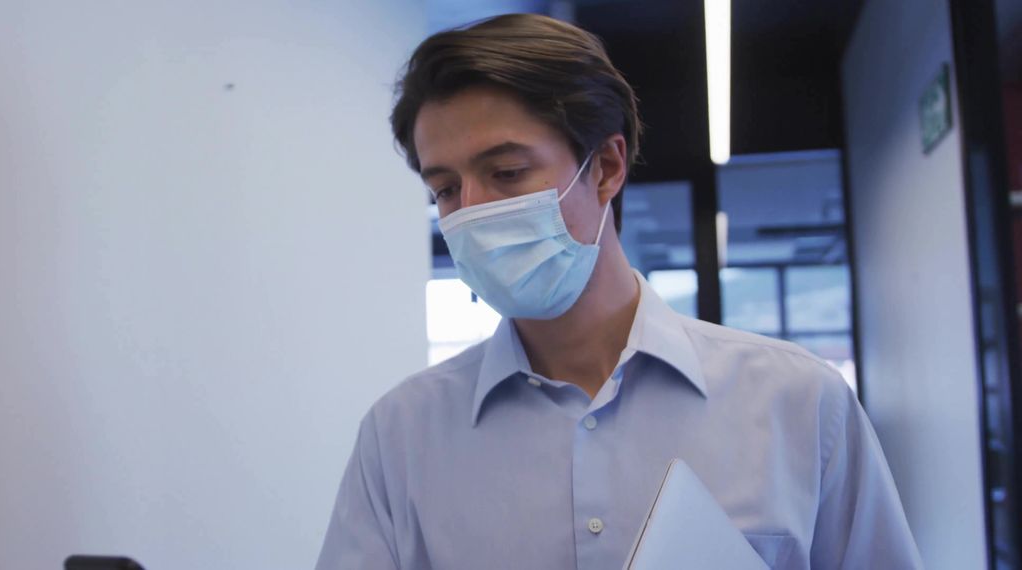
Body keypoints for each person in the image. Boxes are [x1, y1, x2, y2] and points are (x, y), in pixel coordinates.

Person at [316, 13, 922, 570]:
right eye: (446, 190)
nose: (472, 212)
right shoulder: (401, 436)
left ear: (606, 167)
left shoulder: (797, 403)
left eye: (507, 173)